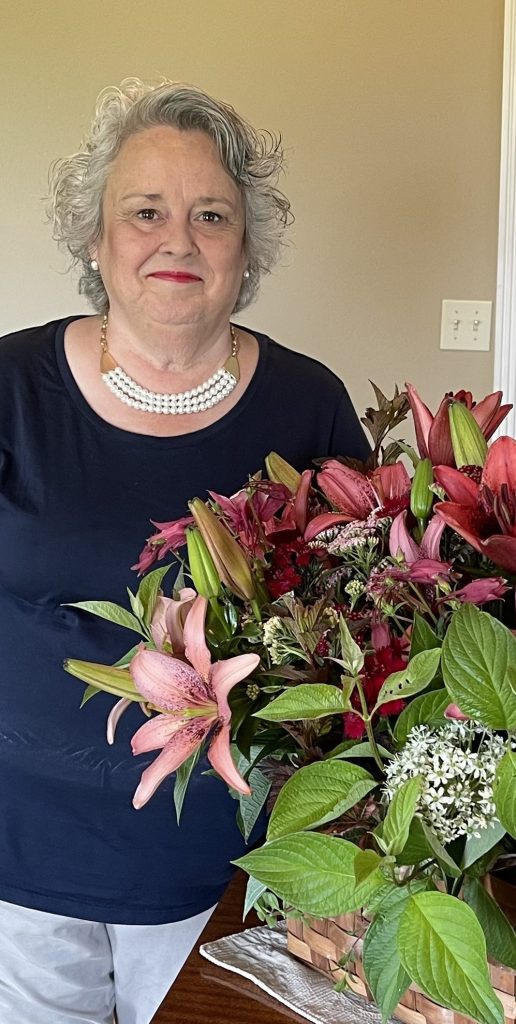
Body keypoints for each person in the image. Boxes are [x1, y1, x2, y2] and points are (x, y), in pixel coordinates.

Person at [0, 79, 369, 1024]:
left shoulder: (308, 405)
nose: (178, 240)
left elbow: (365, 622)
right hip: (22, 851)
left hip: (234, 856)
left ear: (246, 248)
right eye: (145, 212)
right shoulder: (9, 387)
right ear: (95, 239)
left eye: (211, 214)